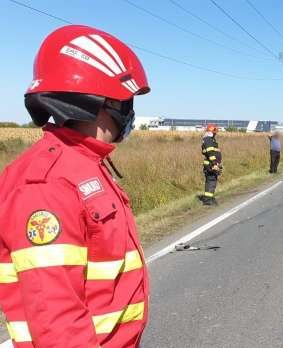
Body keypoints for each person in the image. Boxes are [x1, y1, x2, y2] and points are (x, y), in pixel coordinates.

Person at [0, 25, 150, 347]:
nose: (131, 115)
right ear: (93, 102)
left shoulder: (83, 165)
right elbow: (58, 324)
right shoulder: (47, 183)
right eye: (125, 104)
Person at [201, 123, 222, 205]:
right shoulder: (208, 140)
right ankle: (208, 200)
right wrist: (214, 164)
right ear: (211, 132)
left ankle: (209, 198)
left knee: (211, 181)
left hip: (211, 164)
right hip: (211, 165)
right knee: (211, 181)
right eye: (214, 132)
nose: (215, 134)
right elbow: (210, 153)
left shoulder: (209, 140)